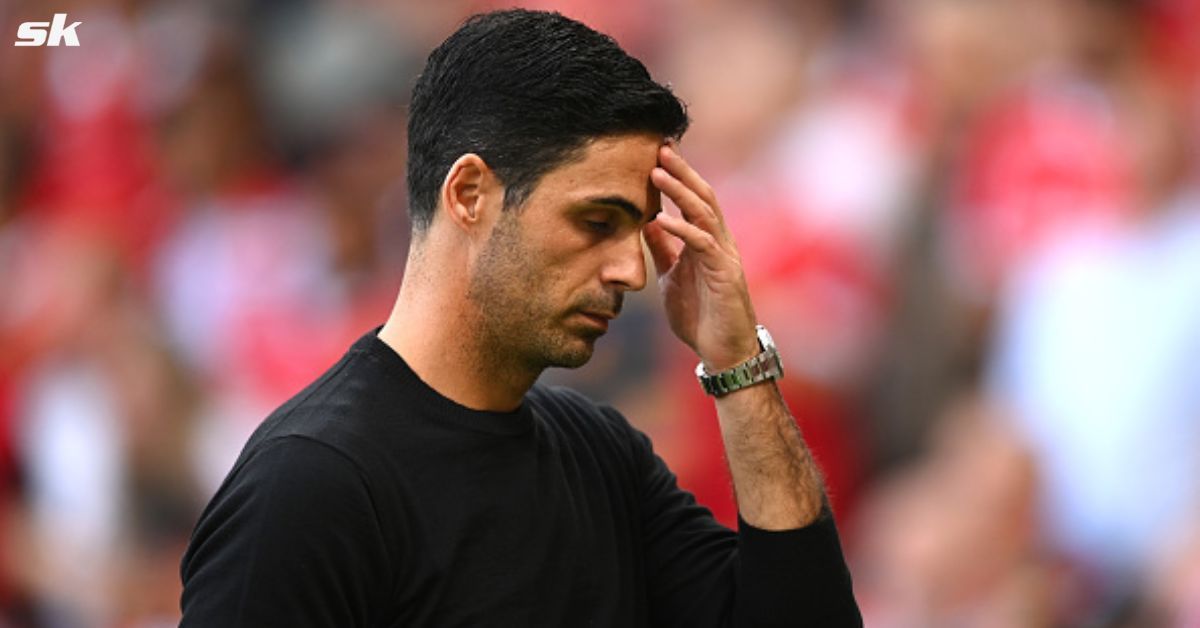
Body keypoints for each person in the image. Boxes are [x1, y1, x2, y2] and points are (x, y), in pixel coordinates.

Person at [179, 9, 861, 627]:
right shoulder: (312, 485)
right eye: (597, 221)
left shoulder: (601, 457)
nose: (635, 270)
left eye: (641, 229)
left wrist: (739, 360)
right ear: (470, 193)